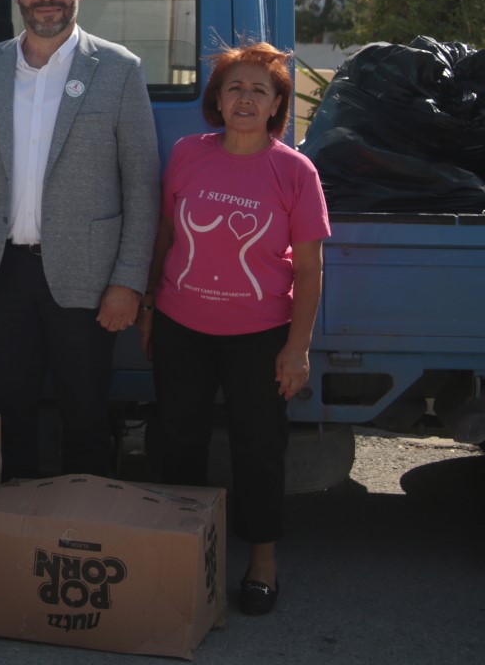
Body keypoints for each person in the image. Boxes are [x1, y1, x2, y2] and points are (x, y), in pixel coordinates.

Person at [0, 0, 160, 479]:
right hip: (0, 273)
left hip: (88, 276)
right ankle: (12, 521)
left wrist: (129, 281)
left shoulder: (119, 69)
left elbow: (141, 185)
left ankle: (80, 519)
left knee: (85, 415)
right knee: (6, 414)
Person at [137, 41, 329, 617]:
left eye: (259, 90)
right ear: (217, 100)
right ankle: (183, 552)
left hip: (260, 337)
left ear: (276, 105)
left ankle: (262, 561)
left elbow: (310, 268)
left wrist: (297, 348)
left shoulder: (295, 171)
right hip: (181, 328)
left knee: (259, 450)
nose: (246, 98)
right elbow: (165, 234)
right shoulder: (187, 154)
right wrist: (149, 306)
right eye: (234, 88)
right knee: (178, 442)